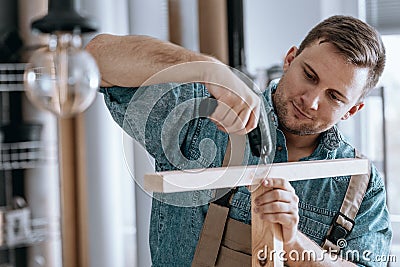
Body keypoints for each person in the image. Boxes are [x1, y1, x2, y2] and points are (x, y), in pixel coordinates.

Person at [86, 15, 392, 266]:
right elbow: (95, 60)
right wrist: (208, 68)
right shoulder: (202, 118)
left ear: (353, 110)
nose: (311, 101)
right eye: (309, 75)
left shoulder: (360, 185)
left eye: (334, 96)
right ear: (290, 59)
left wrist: (293, 241)